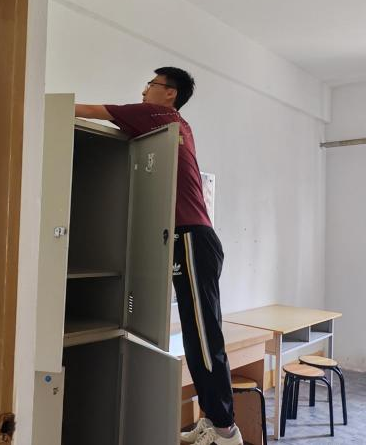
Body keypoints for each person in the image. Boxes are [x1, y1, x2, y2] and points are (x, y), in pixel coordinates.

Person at [75, 67, 243, 445]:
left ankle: (226, 431)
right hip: (192, 238)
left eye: (151, 85)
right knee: (198, 334)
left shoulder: (154, 114)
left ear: (170, 93)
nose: (144, 90)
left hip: (191, 237)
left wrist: (33, 101)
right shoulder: (174, 125)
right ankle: (212, 420)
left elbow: (84, 110)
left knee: (203, 337)